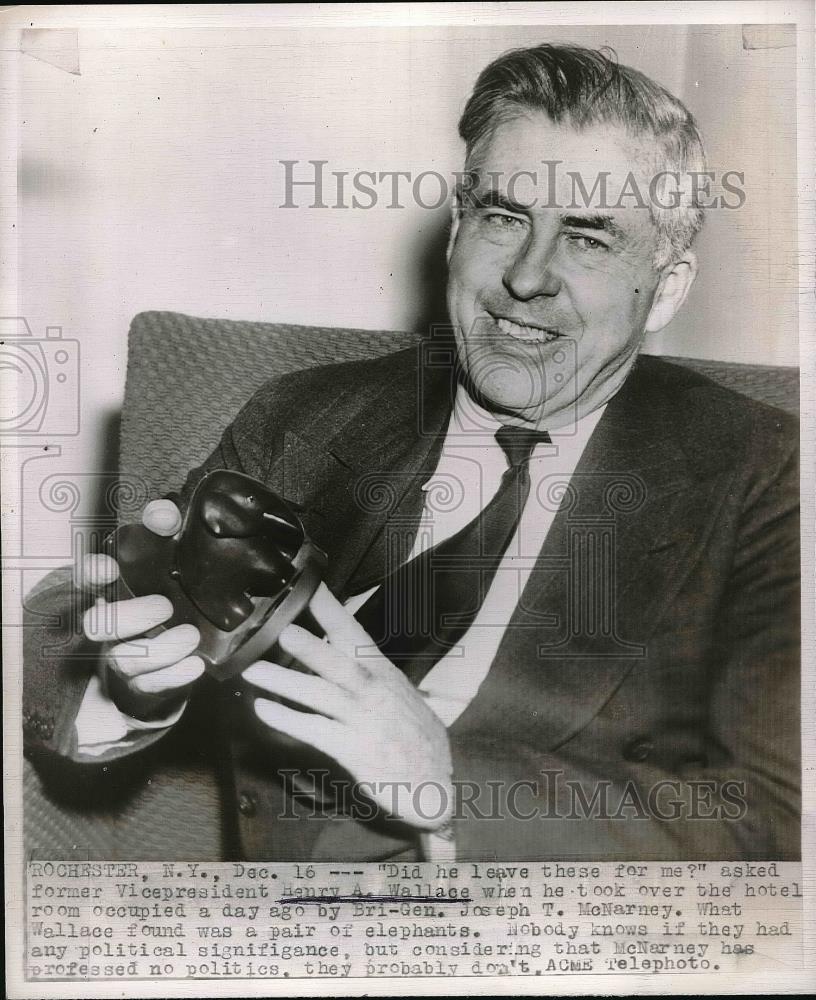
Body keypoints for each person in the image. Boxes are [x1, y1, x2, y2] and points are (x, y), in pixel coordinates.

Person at [23, 43, 799, 862]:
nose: (526, 278)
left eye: (588, 238)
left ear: (668, 288)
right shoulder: (307, 418)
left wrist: (446, 780)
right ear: (459, 230)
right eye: (504, 218)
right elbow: (67, 636)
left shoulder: (768, 478)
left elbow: (776, 819)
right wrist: (129, 686)